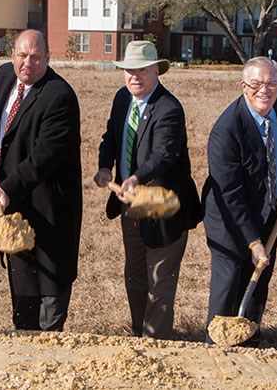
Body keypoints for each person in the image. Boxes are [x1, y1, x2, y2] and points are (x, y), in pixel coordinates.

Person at [94, 40, 201, 339]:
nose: (134, 77)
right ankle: (139, 333)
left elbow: (164, 155)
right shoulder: (121, 99)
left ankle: (156, 344)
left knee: (160, 281)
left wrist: (136, 177)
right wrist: (105, 167)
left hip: (162, 204)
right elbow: (111, 137)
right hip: (131, 203)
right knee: (136, 275)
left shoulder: (169, 108)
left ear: (157, 70)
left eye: (141, 70)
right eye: (128, 70)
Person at [0, 29, 82, 332]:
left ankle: (49, 346)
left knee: (50, 281)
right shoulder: (3, 77)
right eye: (22, 55)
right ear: (12, 55)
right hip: (16, 206)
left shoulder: (59, 97)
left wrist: (7, 188)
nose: (28, 63)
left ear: (48, 58)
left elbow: (44, 156)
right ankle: (24, 341)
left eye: (36, 57)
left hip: (50, 206)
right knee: (22, 281)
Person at [202, 56, 277, 346]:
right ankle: (218, 342)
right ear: (243, 87)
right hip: (229, 219)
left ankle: (248, 336)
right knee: (231, 280)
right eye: (257, 84)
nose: (266, 90)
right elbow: (230, 194)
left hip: (269, 211)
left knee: (260, 278)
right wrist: (251, 241)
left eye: (273, 83)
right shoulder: (226, 131)